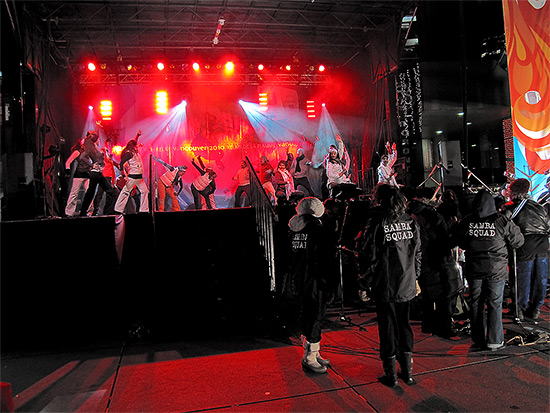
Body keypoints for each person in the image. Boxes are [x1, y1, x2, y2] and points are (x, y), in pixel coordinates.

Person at [358, 184, 421, 387]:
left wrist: (364, 282)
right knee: (404, 324)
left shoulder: (377, 222)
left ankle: (391, 374)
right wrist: (415, 277)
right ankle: (407, 372)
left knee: (387, 327)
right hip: (406, 282)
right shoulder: (410, 222)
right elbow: (417, 253)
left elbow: (369, 255)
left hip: (385, 283)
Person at [457, 189, 524, 350]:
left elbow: (460, 241)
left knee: (476, 304)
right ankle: (495, 340)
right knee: (495, 304)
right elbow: (518, 241)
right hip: (496, 269)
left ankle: (478, 339)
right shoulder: (501, 221)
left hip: (474, 268)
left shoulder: (468, 221)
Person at [288, 197, 333, 374]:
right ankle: (310, 356)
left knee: (308, 313)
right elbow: (323, 257)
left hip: (300, 278)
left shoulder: (292, 228)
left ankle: (312, 350)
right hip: (315, 279)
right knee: (316, 315)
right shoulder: (317, 229)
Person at [407, 186, 458, 338]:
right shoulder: (432, 216)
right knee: (444, 294)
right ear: (427, 199)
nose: (437, 201)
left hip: (419, 259)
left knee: (427, 293)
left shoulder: (410, 213)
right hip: (435, 259)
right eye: (435, 198)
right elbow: (441, 240)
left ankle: (427, 323)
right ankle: (444, 327)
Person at [505, 178, 550, 323]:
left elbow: (505, 227)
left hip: (524, 245)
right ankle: (536, 308)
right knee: (540, 278)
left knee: (521, 278)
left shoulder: (512, 208)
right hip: (542, 244)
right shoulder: (539, 206)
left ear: (514, 193)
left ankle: (520, 309)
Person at [79, 131, 117, 216]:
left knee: (107, 191)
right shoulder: (91, 149)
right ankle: (84, 212)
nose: (99, 140)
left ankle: (107, 211)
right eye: (98, 139)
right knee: (94, 192)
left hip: (98, 173)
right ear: (96, 140)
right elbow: (81, 157)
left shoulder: (96, 148)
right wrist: (92, 165)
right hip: (95, 173)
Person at [114, 131, 150, 214]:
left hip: (139, 177)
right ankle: (118, 209)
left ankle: (144, 210)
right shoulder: (129, 154)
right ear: (132, 147)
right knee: (126, 192)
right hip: (133, 176)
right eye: (135, 146)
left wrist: (137, 135)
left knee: (144, 191)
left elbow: (135, 143)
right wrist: (124, 176)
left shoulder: (134, 152)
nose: (137, 147)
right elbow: (121, 164)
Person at [64, 138, 92, 217]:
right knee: (74, 193)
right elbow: (68, 161)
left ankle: (89, 211)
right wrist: (67, 170)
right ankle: (69, 212)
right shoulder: (78, 152)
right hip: (79, 175)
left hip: (87, 175)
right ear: (81, 144)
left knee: (89, 193)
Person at [92, 147, 119, 216]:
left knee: (110, 194)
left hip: (109, 178)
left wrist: (113, 180)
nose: (108, 152)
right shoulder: (102, 159)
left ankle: (108, 211)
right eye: (106, 151)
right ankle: (95, 210)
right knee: (100, 194)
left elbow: (113, 170)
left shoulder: (110, 160)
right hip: (104, 177)